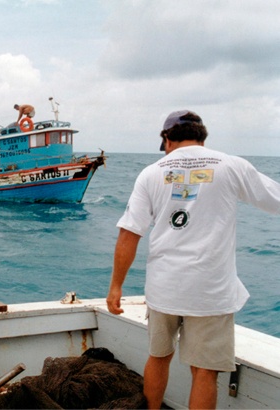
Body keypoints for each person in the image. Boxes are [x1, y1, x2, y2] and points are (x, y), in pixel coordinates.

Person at [105, 110, 280, 409]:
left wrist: (116, 286)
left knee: (158, 358)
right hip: (210, 291)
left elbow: (129, 234)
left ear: (167, 139)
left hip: (164, 289)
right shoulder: (232, 165)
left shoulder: (150, 173)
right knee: (204, 373)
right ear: (202, 137)